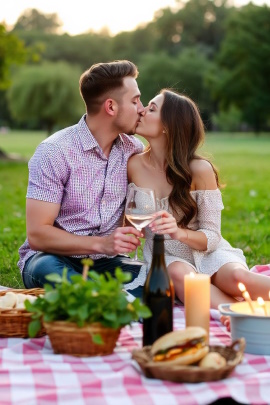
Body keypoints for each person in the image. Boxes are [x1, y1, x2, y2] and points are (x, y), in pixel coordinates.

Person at [125, 88, 270, 308]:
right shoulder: (133, 165)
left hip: (209, 251)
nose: (142, 111)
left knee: (239, 279)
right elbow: (130, 216)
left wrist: (179, 232)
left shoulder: (200, 170)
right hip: (167, 257)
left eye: (151, 109)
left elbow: (212, 236)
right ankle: (241, 315)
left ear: (168, 126)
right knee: (184, 277)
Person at [18, 60, 145, 298]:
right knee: (47, 270)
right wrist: (102, 244)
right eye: (135, 100)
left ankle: (100, 299)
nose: (142, 108)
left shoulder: (133, 150)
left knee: (158, 279)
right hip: (54, 259)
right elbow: (37, 235)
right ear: (111, 107)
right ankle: (111, 300)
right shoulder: (54, 152)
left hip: (108, 263)